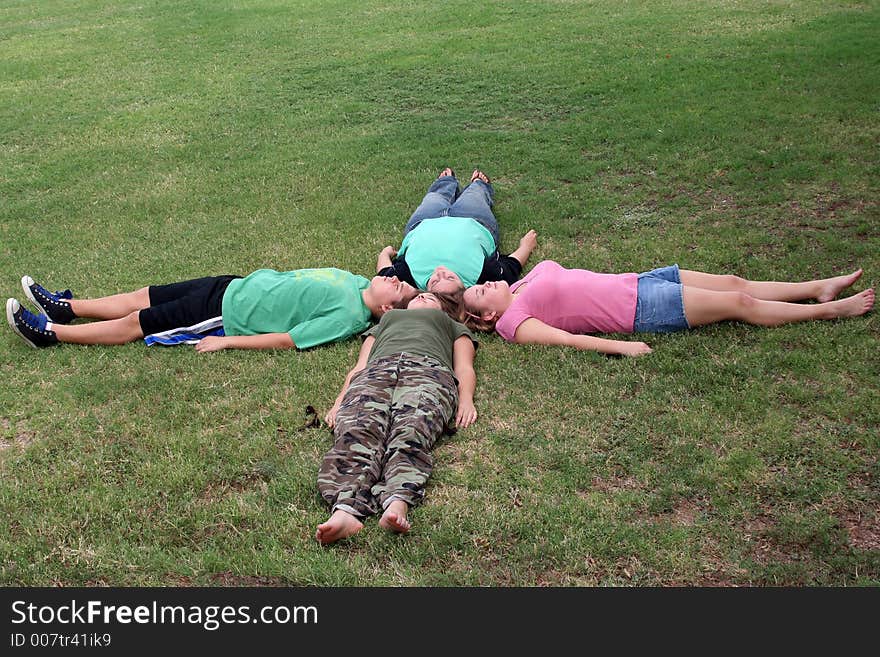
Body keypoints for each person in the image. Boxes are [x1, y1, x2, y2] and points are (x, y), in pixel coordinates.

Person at [315, 292, 477, 545]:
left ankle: (398, 501)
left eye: (432, 298)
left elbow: (465, 367)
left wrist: (465, 399)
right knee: (357, 429)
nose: (424, 296)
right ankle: (345, 510)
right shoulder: (387, 320)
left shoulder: (451, 325)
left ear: (444, 310)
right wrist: (339, 401)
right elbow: (359, 366)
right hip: (376, 371)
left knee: (412, 429)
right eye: (420, 295)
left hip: (429, 372)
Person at [462, 260, 874, 356]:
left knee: (734, 283)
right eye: (481, 292)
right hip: (641, 310)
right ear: (488, 317)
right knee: (738, 303)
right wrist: (622, 348)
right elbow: (566, 339)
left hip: (640, 280)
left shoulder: (518, 284)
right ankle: (830, 311)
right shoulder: (513, 321)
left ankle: (818, 288)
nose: (487, 283)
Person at [6, 269, 417, 351]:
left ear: (384, 308)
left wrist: (230, 343)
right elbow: (386, 264)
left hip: (228, 315)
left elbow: (290, 339)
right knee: (146, 294)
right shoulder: (361, 283)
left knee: (139, 322)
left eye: (396, 286)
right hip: (233, 284)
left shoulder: (349, 318)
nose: (392, 277)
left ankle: (51, 334)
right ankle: (66, 308)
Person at [377, 167, 538, 299]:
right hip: (474, 221)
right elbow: (511, 267)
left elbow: (384, 273)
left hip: (424, 222)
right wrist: (526, 246)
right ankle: (479, 184)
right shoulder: (479, 274)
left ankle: (446, 182)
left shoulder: (410, 276)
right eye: (450, 277)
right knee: (475, 196)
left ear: (427, 291)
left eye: (434, 282)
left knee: (433, 198)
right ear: (466, 287)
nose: (441, 272)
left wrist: (385, 253)